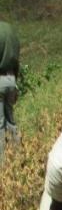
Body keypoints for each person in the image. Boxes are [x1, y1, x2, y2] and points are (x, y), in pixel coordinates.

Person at [0, 21, 20, 160]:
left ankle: (2, 164)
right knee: (11, 121)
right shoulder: (9, 29)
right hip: (11, 78)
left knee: (0, 124)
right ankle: (18, 156)